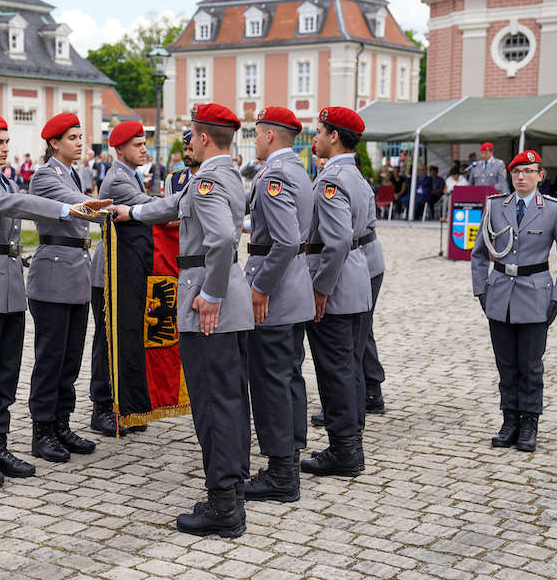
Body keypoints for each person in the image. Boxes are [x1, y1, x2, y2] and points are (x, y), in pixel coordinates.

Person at [113, 102, 253, 538]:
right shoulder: (225, 172)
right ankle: (233, 485)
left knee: (212, 402)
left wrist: (209, 294)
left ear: (205, 137)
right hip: (229, 297)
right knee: (228, 397)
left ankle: (223, 505)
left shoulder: (209, 178)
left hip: (209, 299)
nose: (187, 141)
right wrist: (131, 212)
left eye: (191, 134)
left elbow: (223, 237)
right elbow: (177, 204)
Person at [0, 114, 110, 488]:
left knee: (6, 373)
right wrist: (64, 209)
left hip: (8, 285)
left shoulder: (3, 179)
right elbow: (15, 205)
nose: (5, 148)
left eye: (7, 141)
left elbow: (14, 201)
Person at [471, 150, 557, 452]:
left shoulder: (555, 209)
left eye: (529, 171)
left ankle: (529, 421)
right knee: (506, 365)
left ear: (540, 176)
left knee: (530, 365)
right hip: (500, 294)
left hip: (535, 295)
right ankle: (509, 420)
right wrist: (481, 289)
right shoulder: (495, 206)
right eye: (517, 172)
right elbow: (479, 253)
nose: (521, 177)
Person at [240, 107, 314, 504]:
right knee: (288, 379)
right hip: (295, 289)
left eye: (256, 133)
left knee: (271, 384)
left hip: (276, 294)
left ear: (269, 135)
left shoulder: (274, 174)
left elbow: (284, 241)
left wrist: (260, 288)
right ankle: (289, 461)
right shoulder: (299, 170)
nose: (255, 140)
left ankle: (282, 473)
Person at [300, 106, 373, 478]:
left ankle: (344, 450)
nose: (314, 137)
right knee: (349, 368)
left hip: (337, 285)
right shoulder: (355, 175)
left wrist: (319, 289)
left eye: (319, 131)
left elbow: (338, 240)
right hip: (356, 280)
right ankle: (349, 444)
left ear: (333, 136)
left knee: (335, 372)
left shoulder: (332, 179)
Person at [26, 113, 100, 464]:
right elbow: (80, 207)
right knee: (51, 356)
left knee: (70, 357)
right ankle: (42, 430)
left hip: (75, 272)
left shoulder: (76, 173)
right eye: (72, 137)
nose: (79, 142)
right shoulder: (45, 176)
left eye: (80, 136)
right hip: (53, 275)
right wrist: (115, 209)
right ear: (54, 143)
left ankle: (62, 423)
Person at [89, 120, 156, 437]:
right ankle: (102, 407)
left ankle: (124, 404)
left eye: (144, 143)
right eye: (137, 144)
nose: (144, 149)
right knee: (107, 340)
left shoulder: (132, 176)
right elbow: (150, 209)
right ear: (119, 149)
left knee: (125, 337)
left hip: (126, 269)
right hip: (109, 272)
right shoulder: (118, 180)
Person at [166, 130, 199, 197]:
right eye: (185, 149)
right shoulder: (173, 179)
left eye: (191, 149)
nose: (186, 154)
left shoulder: (210, 178)